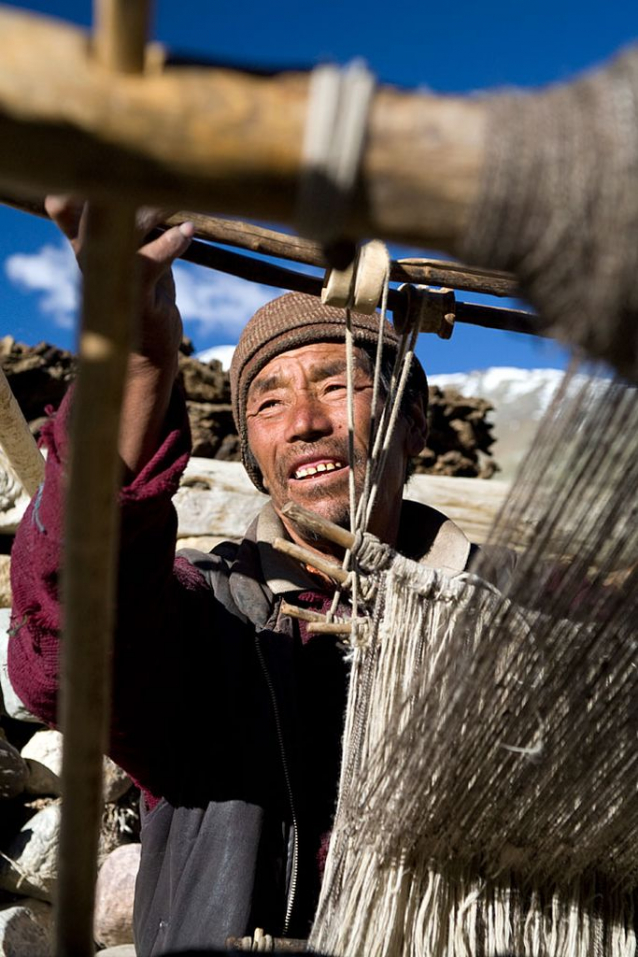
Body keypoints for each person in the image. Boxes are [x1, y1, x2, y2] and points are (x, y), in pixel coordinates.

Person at [8, 200, 488, 955]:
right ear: (254, 460)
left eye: (338, 385)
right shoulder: (214, 622)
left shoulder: (513, 621)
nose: (304, 421)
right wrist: (135, 363)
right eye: (268, 401)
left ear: (414, 422)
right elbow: (63, 653)